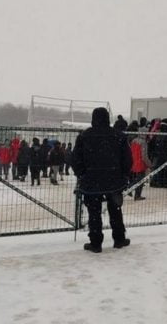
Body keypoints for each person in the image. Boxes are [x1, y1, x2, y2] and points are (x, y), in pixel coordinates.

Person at [72, 107, 133, 253]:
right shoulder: (119, 136)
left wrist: (81, 174)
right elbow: (127, 159)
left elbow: (75, 159)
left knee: (94, 212)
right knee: (115, 210)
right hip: (114, 180)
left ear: (93, 119)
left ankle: (95, 243)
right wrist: (124, 175)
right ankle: (119, 239)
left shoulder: (84, 136)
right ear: (107, 118)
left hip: (91, 181)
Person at [129, 125, 152, 200]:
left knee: (136, 179)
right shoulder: (143, 142)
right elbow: (144, 155)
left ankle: (129, 187)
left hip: (133, 162)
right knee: (140, 180)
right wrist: (149, 164)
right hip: (140, 163)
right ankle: (136, 194)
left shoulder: (134, 140)